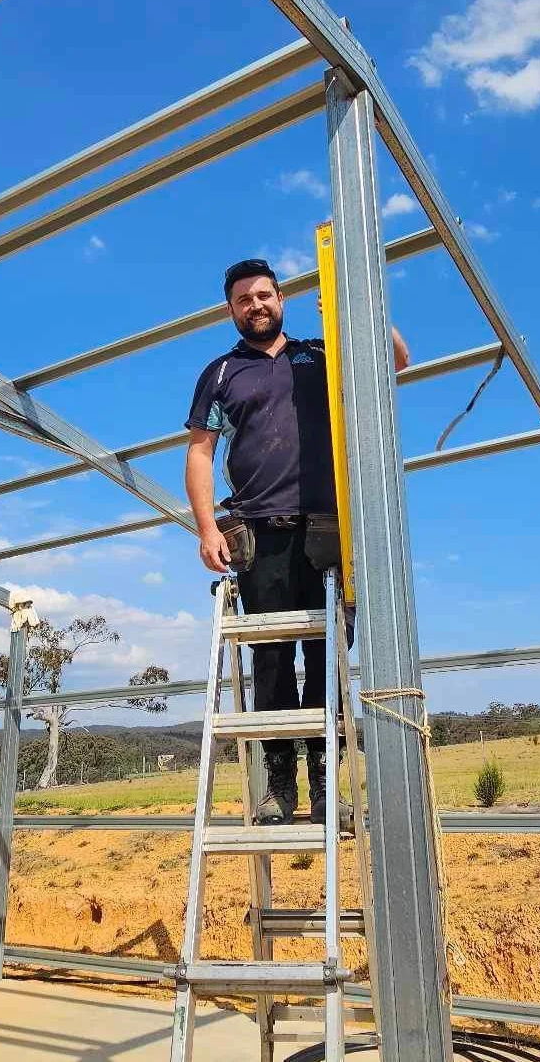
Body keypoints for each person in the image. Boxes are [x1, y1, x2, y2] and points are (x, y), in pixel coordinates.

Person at [184, 256, 409, 824]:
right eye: (244, 300)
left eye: (264, 295)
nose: (256, 305)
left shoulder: (321, 353)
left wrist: (354, 310)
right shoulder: (220, 374)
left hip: (328, 530)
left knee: (329, 658)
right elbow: (200, 452)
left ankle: (326, 786)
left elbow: (397, 362)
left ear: (280, 298)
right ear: (230, 310)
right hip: (258, 534)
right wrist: (207, 527)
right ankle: (279, 786)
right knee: (272, 660)